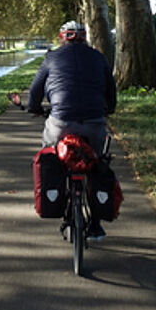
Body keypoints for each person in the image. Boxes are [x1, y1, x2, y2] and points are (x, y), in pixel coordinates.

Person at [27, 20, 117, 240]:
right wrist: (109, 110)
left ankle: (59, 202)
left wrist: (34, 108)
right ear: (84, 37)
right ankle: (95, 225)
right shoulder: (99, 57)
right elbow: (111, 91)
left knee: (51, 154)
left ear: (62, 37)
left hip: (60, 122)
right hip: (94, 121)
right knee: (96, 161)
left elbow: (35, 90)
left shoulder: (51, 58)